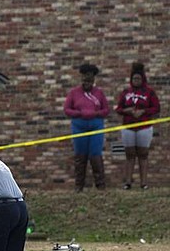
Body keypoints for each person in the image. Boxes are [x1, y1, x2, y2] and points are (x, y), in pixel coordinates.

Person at [63, 63, 110, 192]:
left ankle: (100, 185)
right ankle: (79, 186)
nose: (87, 81)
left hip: (96, 125)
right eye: (85, 78)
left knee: (95, 154)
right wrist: (79, 114)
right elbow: (67, 109)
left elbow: (106, 110)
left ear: (93, 80)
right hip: (79, 126)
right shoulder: (74, 93)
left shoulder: (99, 93)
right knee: (80, 155)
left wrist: (95, 114)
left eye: (90, 79)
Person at [115, 62, 160, 190]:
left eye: (139, 79)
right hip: (128, 126)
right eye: (134, 79)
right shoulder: (126, 92)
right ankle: (128, 182)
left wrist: (144, 111)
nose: (136, 81)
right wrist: (126, 111)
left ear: (143, 79)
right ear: (131, 79)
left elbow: (156, 108)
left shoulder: (149, 92)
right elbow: (118, 108)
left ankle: (144, 182)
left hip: (144, 127)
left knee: (143, 154)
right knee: (129, 154)